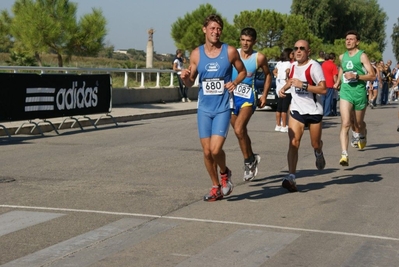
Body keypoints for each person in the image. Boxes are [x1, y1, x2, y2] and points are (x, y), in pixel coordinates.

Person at [180, 14, 246, 201]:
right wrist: (185, 78)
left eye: (219, 29)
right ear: (204, 30)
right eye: (212, 28)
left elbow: (243, 71)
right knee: (207, 151)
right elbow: (191, 82)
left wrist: (234, 82)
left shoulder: (230, 51)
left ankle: (225, 173)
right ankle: (215, 186)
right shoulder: (196, 54)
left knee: (216, 150)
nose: (216, 32)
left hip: (223, 107)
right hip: (204, 109)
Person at [278, 40, 327, 192]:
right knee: (293, 142)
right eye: (296, 48)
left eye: (302, 49)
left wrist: (304, 85)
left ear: (308, 51)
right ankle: (291, 176)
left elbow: (323, 89)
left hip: (313, 111)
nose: (298, 51)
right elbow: (292, 81)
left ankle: (318, 152)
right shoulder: (292, 66)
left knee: (315, 143)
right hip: (297, 110)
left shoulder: (314, 67)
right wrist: (284, 88)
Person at [230, 27, 271, 182]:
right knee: (240, 132)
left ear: (254, 42)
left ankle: (248, 162)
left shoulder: (258, 57)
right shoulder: (233, 53)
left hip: (248, 97)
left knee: (240, 129)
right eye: (243, 40)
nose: (245, 43)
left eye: (248, 40)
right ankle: (252, 157)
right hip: (231, 98)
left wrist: (264, 95)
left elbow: (268, 75)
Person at [333, 30, 375, 166]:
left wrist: (357, 76)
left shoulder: (362, 56)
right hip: (346, 92)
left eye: (351, 39)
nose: (348, 41)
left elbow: (372, 75)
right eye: (347, 39)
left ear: (357, 42)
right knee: (346, 123)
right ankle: (344, 154)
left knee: (358, 123)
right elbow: (342, 69)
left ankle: (363, 132)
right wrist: (338, 81)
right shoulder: (342, 57)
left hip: (359, 92)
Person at [273, 48, 293, 132]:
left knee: (279, 108)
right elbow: (288, 72)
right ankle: (284, 126)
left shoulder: (279, 63)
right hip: (286, 88)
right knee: (285, 108)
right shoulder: (289, 63)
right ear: (288, 54)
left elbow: (274, 71)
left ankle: (278, 125)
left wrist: (278, 76)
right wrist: (287, 78)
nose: (293, 55)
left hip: (278, 87)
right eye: (292, 53)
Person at [321, 52, 338, 116]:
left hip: (323, 83)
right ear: (333, 58)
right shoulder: (333, 65)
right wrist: (336, 84)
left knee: (323, 98)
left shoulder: (323, 64)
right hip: (330, 83)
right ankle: (327, 112)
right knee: (329, 99)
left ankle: (322, 111)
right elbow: (334, 76)